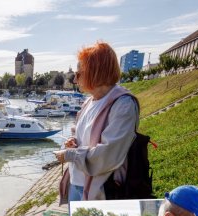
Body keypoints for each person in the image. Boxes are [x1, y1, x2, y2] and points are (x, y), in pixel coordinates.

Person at [56, 41, 140, 201]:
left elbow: (109, 155)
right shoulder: (90, 101)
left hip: (102, 191)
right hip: (76, 183)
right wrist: (73, 141)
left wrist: (70, 155)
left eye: (79, 74)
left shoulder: (123, 104)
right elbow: (81, 134)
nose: (75, 79)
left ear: (95, 73)